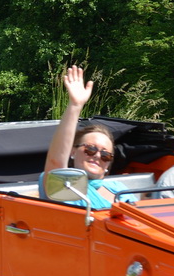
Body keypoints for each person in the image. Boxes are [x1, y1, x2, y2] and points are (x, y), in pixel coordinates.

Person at [42, 66, 134, 210]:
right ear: (73, 152)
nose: (98, 156)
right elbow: (55, 162)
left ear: (108, 164)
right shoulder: (65, 185)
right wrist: (75, 106)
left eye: (106, 155)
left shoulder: (118, 189)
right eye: (90, 149)